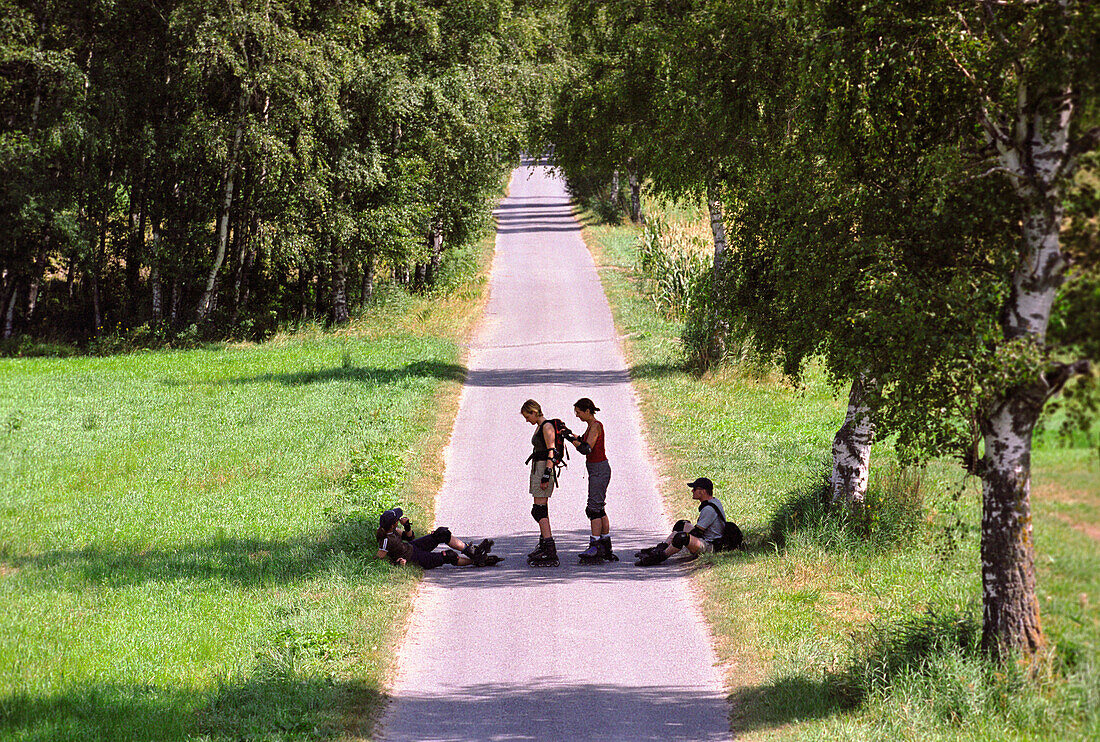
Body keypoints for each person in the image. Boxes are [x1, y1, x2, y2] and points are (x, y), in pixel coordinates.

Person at [635, 477, 727, 566]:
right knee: (681, 524)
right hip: (706, 538)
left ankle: (658, 557)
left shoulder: (709, 509)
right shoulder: (714, 501)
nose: (692, 491)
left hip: (710, 545)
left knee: (681, 537)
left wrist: (679, 537)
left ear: (703, 491)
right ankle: (659, 549)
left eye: (694, 489)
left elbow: (697, 533)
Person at [570, 397, 618, 563]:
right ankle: (605, 543)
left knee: (593, 509)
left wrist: (572, 440)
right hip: (597, 469)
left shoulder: (595, 426)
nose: (577, 415)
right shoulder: (591, 426)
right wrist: (569, 434)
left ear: (587, 411)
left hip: (599, 469)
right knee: (599, 508)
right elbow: (583, 441)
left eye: (579, 412)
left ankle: (595, 545)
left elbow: (586, 448)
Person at [375, 507, 501, 568]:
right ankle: (476, 561)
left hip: (412, 547)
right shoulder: (386, 539)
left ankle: (473, 552)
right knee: (449, 555)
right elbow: (379, 558)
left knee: (442, 533)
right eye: (397, 519)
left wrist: (407, 526)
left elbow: (409, 537)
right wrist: (396, 563)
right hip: (415, 557)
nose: (399, 519)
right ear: (393, 524)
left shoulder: (391, 530)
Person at [521, 399, 560, 567]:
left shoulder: (547, 426)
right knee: (540, 510)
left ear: (534, 412)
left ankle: (550, 550)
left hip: (544, 468)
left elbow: (552, 450)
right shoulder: (540, 426)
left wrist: (546, 475)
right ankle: (544, 544)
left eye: (527, 416)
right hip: (538, 468)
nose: (526, 420)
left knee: (539, 511)